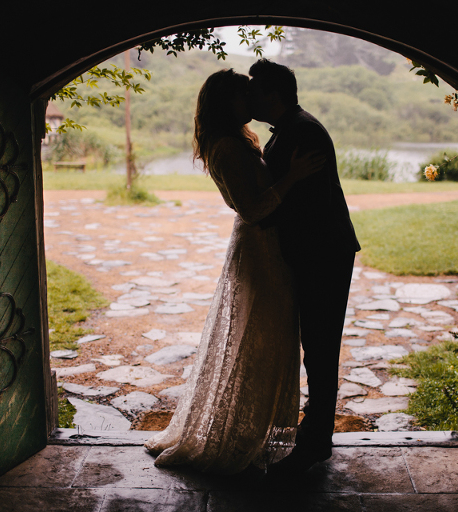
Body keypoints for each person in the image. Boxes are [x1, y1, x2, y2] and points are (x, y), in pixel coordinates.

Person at [144, 69, 325, 474]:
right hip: (259, 249)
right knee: (255, 339)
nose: (252, 103)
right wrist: (294, 177)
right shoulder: (225, 147)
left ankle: (250, 430)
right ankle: (233, 434)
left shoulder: (239, 139)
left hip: (270, 248)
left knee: (266, 339)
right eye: (245, 96)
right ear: (227, 103)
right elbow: (252, 208)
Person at [247, 59, 361, 477]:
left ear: (273, 94)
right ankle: (313, 439)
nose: (249, 98)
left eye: (254, 90)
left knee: (320, 346)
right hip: (315, 253)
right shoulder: (292, 127)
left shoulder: (304, 130)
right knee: (316, 345)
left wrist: (267, 220)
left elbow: (311, 202)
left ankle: (314, 444)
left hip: (323, 254)